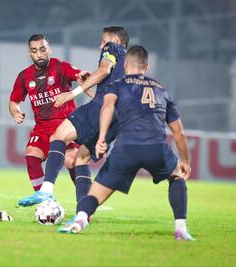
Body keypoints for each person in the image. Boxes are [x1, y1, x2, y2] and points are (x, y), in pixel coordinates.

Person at [58, 45, 194, 241]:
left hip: (126, 149)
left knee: (96, 193)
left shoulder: (118, 85)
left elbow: (107, 107)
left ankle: (80, 219)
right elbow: (179, 133)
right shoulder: (162, 90)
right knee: (176, 177)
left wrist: (102, 138)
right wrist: (185, 162)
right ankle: (181, 229)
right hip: (156, 148)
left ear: (126, 64)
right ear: (146, 66)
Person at [18, 26, 128, 206]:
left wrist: (73, 93)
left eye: (103, 40)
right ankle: (84, 211)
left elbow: (104, 71)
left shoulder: (112, 49)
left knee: (58, 136)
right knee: (81, 159)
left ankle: (45, 192)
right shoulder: (130, 62)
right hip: (117, 117)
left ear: (115, 41)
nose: (101, 45)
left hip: (100, 109)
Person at [9, 34, 92, 192]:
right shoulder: (24, 76)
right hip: (42, 128)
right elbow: (14, 101)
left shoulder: (60, 67)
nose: (39, 54)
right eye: (34, 51)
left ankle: (86, 201)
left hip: (66, 125)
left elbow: (78, 74)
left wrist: (82, 74)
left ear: (49, 50)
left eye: (42, 49)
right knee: (31, 154)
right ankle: (45, 202)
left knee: (71, 160)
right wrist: (15, 112)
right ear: (30, 53)